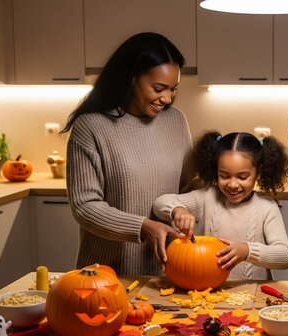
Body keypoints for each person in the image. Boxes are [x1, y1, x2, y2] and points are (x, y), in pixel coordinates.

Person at [61, 32, 192, 276]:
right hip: (106, 275)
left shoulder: (176, 121)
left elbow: (189, 189)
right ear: (132, 77)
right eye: (159, 88)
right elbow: (85, 206)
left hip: (169, 271)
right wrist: (143, 226)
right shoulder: (91, 126)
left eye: (173, 89)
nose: (167, 98)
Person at [153, 131, 288, 280]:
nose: (232, 184)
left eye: (242, 177)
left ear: (259, 173)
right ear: (216, 171)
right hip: (209, 293)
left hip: (253, 294)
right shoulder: (207, 197)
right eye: (224, 176)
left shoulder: (267, 208)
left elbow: (285, 256)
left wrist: (247, 251)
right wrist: (177, 210)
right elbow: (160, 203)